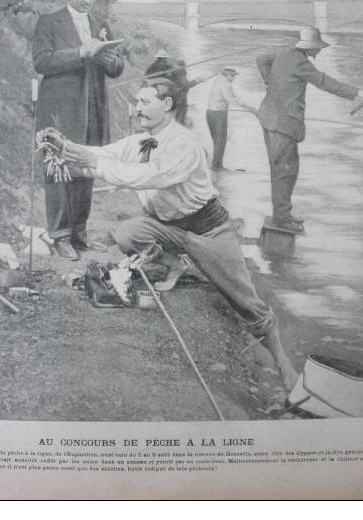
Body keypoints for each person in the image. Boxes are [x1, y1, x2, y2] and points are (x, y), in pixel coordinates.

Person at [47, 79, 299, 388]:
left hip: (209, 230)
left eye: (145, 102)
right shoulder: (143, 140)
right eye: (137, 102)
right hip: (166, 227)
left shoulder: (184, 144)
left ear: (167, 105)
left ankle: (283, 362)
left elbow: (144, 176)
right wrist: (66, 148)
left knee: (246, 300)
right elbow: (105, 153)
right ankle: (174, 264)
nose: (138, 108)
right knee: (126, 233)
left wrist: (90, 164)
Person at [31, 0, 124, 261]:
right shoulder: (49, 22)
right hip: (59, 110)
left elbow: (116, 67)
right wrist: (82, 52)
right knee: (59, 169)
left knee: (86, 167)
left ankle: (79, 233)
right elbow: (42, 62)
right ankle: (60, 235)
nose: (88, 0)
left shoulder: (100, 25)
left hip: (93, 109)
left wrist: (110, 59)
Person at [256, 27, 363, 233]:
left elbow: (261, 60)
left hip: (267, 118)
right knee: (287, 171)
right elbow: (324, 82)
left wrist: (270, 84)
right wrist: (356, 94)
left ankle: (282, 213)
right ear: (312, 47)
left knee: (279, 168)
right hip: (284, 124)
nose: (319, 52)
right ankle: (281, 218)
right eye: (318, 48)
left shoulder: (282, 55)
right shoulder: (301, 62)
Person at [205, 66, 257, 171]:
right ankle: (217, 166)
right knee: (221, 140)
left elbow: (230, 97)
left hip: (211, 113)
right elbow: (232, 99)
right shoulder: (226, 84)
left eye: (234, 76)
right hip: (218, 115)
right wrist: (250, 108)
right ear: (226, 75)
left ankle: (217, 165)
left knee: (217, 140)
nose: (233, 78)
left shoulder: (218, 80)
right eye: (232, 76)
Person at [143, 50, 197, 125]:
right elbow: (185, 85)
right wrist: (196, 81)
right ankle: (179, 121)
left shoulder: (157, 66)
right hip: (162, 91)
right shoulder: (160, 67)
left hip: (158, 90)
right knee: (180, 102)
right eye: (165, 59)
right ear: (163, 59)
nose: (166, 60)